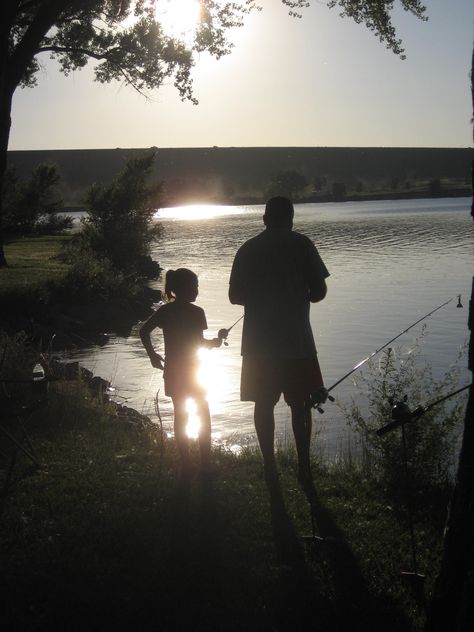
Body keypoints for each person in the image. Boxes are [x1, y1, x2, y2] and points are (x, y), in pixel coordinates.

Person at [228, 196, 329, 487]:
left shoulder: (248, 248)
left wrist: (260, 299)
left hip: (258, 344)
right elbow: (320, 290)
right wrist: (304, 295)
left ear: (264, 218)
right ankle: (304, 468)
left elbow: (234, 297)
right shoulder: (302, 244)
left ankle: (270, 468)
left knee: (263, 404)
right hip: (297, 342)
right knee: (300, 406)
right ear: (291, 217)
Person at [140, 268, 226, 478]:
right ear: (183, 289)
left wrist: (152, 355)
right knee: (203, 413)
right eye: (194, 286)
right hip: (195, 371)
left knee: (181, 415)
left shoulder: (165, 312)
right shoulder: (197, 313)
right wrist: (215, 342)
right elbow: (197, 343)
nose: (197, 290)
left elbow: (144, 331)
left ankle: (186, 463)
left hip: (173, 370)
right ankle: (205, 464)